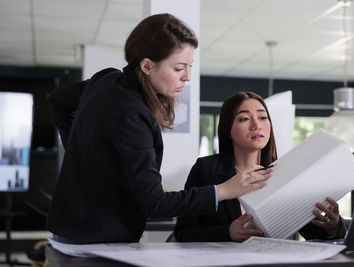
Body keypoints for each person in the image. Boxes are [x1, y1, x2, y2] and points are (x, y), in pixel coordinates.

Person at [46, 14, 272, 244]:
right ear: (147, 66)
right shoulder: (133, 115)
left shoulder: (108, 79)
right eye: (178, 68)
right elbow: (155, 203)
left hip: (71, 226)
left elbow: (58, 100)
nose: (188, 77)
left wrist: (79, 149)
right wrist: (223, 191)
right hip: (95, 237)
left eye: (189, 66)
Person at [174, 91, 346, 242]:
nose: (257, 126)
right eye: (244, 119)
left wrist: (333, 226)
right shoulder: (206, 169)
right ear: (228, 129)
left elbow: (313, 233)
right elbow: (183, 232)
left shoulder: (283, 173)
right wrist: (227, 233)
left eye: (263, 117)